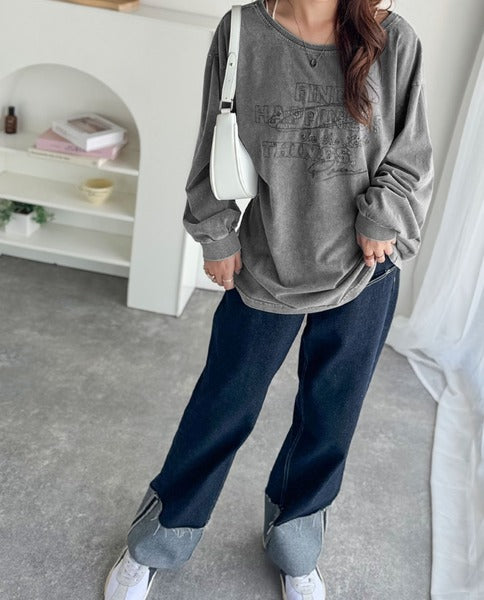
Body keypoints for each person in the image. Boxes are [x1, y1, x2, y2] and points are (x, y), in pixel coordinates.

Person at [104, 0, 434, 598]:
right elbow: (212, 141)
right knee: (222, 406)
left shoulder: (392, 37)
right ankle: (159, 539)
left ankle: (294, 545)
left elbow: (410, 154)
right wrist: (216, 233)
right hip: (267, 260)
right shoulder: (241, 31)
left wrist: (382, 218)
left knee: (329, 417)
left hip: (366, 267)